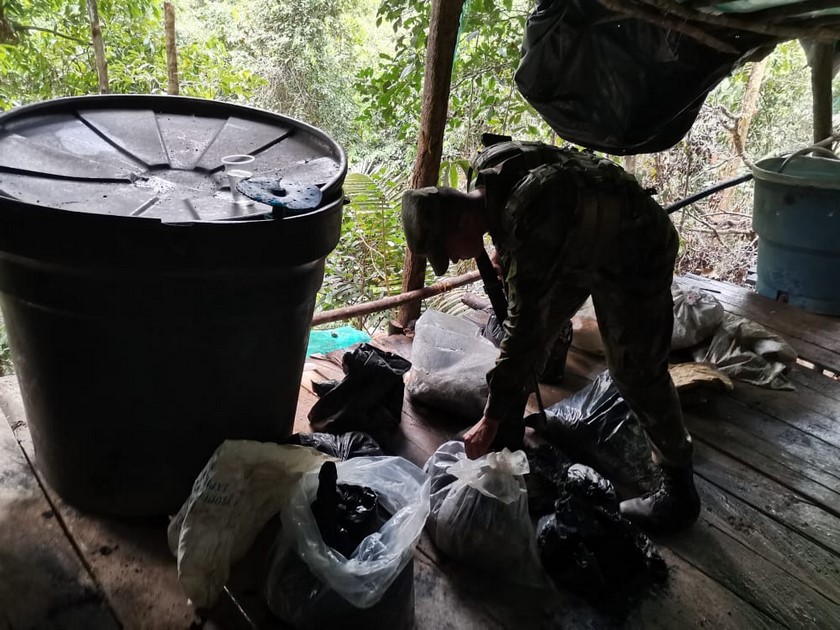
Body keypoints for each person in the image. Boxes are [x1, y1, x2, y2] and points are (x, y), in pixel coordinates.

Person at [400, 140, 700, 533]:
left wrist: (488, 417)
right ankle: (506, 438)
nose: (454, 259)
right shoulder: (489, 176)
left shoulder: (531, 218)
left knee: (636, 370)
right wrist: (504, 247)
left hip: (636, 248)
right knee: (531, 339)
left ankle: (679, 491)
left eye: (448, 250)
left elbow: (523, 329)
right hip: (577, 243)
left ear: (466, 223)